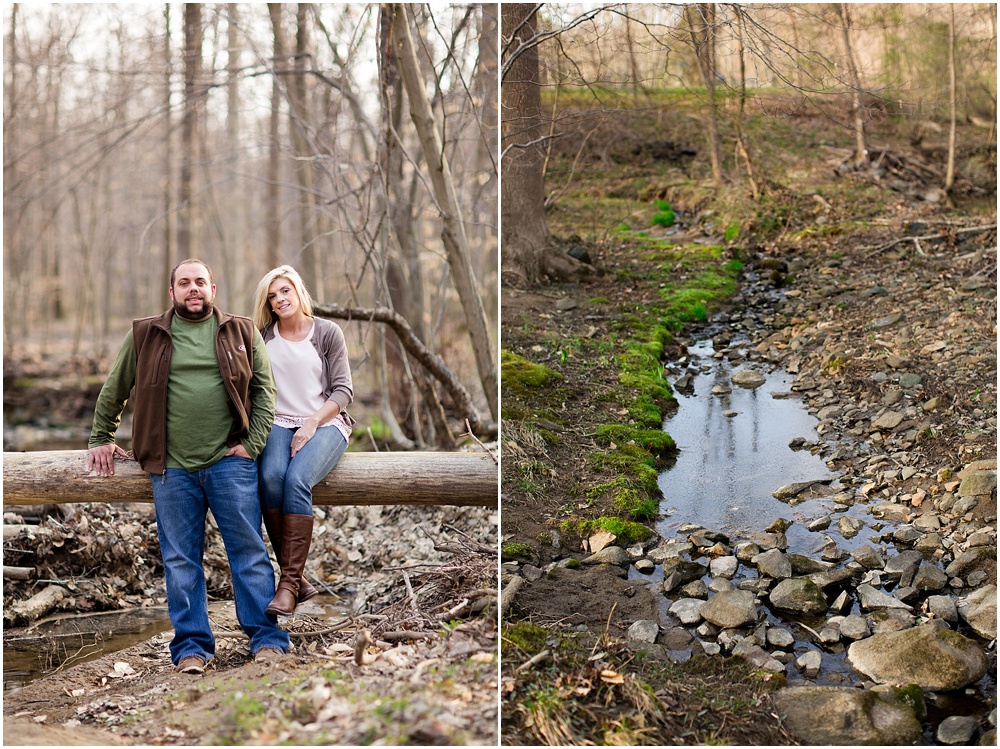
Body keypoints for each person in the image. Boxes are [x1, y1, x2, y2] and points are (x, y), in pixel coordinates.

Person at [88, 259, 289, 674]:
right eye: (184, 283)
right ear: (172, 292)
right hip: (171, 469)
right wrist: (100, 437)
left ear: (213, 288)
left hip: (230, 463)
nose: (193, 288)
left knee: (249, 553)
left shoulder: (241, 331)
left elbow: (265, 391)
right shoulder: (145, 334)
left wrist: (252, 444)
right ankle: (192, 648)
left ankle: (267, 640)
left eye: (200, 281)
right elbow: (115, 388)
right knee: (181, 562)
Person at [251, 265, 354, 616]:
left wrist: (311, 423)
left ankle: (288, 585)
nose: (280, 299)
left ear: (298, 291)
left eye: (285, 291)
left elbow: (343, 391)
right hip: (277, 422)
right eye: (272, 296)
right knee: (270, 478)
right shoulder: (263, 337)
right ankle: (297, 579)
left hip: (325, 422)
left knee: (296, 480)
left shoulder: (327, 332)